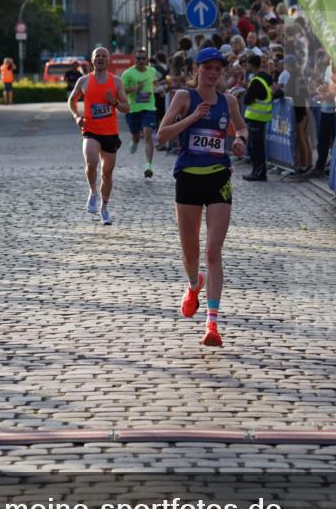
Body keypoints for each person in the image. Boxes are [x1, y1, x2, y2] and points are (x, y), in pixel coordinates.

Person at [158, 47, 248, 348]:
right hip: (187, 179)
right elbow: (162, 135)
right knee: (191, 254)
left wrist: (238, 140)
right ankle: (194, 285)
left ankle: (212, 324)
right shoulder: (184, 97)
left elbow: (242, 127)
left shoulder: (229, 101)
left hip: (219, 178)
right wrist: (192, 118)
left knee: (212, 251)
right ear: (197, 69)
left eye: (217, 69)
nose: (212, 73)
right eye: (207, 68)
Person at [67, 46, 129, 225]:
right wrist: (77, 116)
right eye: (97, 56)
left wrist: (114, 102)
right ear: (92, 60)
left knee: (107, 174)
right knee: (91, 163)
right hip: (90, 130)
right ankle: (92, 191)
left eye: (104, 56)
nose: (100, 58)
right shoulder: (84, 81)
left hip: (110, 133)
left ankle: (104, 208)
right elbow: (72, 100)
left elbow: (127, 108)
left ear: (108, 60)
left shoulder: (116, 82)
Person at [121, 49, 158, 178]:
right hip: (133, 110)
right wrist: (133, 88)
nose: (141, 61)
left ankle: (148, 166)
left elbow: (154, 83)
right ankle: (134, 141)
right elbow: (121, 91)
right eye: (138, 59)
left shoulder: (152, 71)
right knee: (136, 135)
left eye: (143, 58)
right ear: (134, 60)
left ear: (146, 60)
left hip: (149, 108)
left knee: (148, 134)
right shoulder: (128, 74)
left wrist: (159, 87)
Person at [242, 53, 273, 182]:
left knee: (256, 147)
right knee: (255, 146)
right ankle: (257, 171)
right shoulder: (266, 77)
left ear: (250, 64)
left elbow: (247, 100)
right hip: (261, 117)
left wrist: (247, 95)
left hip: (256, 117)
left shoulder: (256, 80)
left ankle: (259, 173)